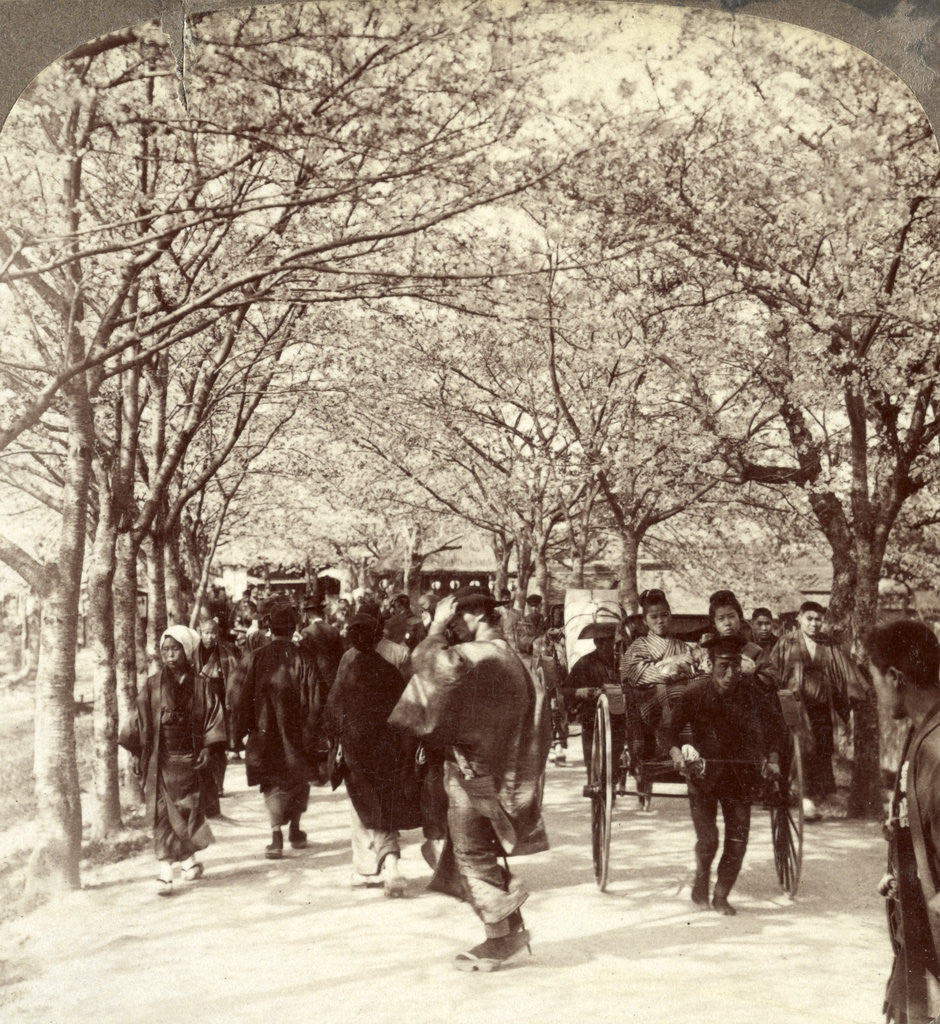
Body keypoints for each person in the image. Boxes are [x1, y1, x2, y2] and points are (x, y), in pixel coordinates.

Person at [389, 588, 550, 973]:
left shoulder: (485, 655)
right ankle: (510, 929)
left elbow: (429, 666)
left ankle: (500, 940)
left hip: (476, 772)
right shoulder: (506, 656)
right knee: (474, 851)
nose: (454, 627)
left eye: (457, 618)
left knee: (471, 854)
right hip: (489, 769)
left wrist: (435, 628)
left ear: (476, 614)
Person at [665, 633, 781, 915]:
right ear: (710, 664)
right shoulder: (695, 692)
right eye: (722, 667)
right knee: (708, 841)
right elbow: (666, 732)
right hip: (703, 775)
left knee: (737, 841)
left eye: (734, 667)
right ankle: (701, 880)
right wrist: (677, 754)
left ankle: (721, 895)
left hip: (741, 776)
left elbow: (776, 729)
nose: (729, 675)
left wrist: (773, 758)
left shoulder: (751, 692)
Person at [868, 620, 940, 1024]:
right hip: (918, 945)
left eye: (875, 678)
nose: (874, 691)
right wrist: (899, 870)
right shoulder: (922, 730)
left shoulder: (936, 750)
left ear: (895, 678)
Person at [119, 624, 226, 896]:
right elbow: (137, 720)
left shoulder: (202, 684)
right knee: (165, 816)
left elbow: (214, 719)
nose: (169, 655)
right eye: (164, 650)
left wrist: (207, 749)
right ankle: (166, 874)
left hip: (190, 761)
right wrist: (135, 752)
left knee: (188, 813)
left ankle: (189, 862)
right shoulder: (153, 685)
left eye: (175, 649)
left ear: (187, 651)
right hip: (161, 761)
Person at [326, 614, 423, 897]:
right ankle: (389, 867)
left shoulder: (347, 666)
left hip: (357, 750)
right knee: (384, 804)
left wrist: (335, 742)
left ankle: (371, 868)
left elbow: (332, 711)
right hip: (387, 748)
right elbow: (406, 707)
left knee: (361, 806)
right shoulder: (389, 669)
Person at [236, 604, 327, 859]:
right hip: (297, 732)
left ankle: (276, 835)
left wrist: (241, 731)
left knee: (271, 780)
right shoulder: (303, 657)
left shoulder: (257, 656)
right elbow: (315, 698)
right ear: (294, 628)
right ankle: (295, 831)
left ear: (270, 628)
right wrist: (314, 729)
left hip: (265, 730)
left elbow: (244, 697)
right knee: (298, 779)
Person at [771, 600, 868, 821]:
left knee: (822, 753)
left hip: (822, 708)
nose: (814, 624)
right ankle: (804, 801)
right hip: (794, 707)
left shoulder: (828, 644)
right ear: (799, 617)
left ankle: (815, 797)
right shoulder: (786, 642)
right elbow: (773, 674)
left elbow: (846, 673)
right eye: (810, 619)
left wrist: (856, 696)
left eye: (818, 619)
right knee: (801, 750)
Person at [622, 588, 702, 748]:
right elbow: (639, 676)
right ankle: (673, 746)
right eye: (654, 617)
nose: (660, 620)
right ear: (645, 621)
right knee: (678, 694)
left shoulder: (682, 646)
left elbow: (695, 671)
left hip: (683, 696)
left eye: (664, 615)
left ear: (670, 616)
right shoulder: (639, 646)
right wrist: (675, 664)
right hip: (650, 701)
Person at [559, 620, 625, 783]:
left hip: (620, 712)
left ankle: (617, 768)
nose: (609, 647)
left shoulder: (624, 661)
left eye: (612, 642)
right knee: (590, 731)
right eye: (604, 642)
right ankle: (593, 776)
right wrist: (582, 692)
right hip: (593, 714)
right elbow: (565, 690)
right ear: (596, 643)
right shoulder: (585, 663)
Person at [194, 614, 240, 813]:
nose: (210, 637)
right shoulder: (192, 654)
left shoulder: (227, 653)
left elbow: (236, 677)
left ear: (218, 633)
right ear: (199, 633)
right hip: (199, 704)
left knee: (219, 746)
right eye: (206, 633)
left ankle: (219, 784)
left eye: (213, 633)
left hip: (221, 705)